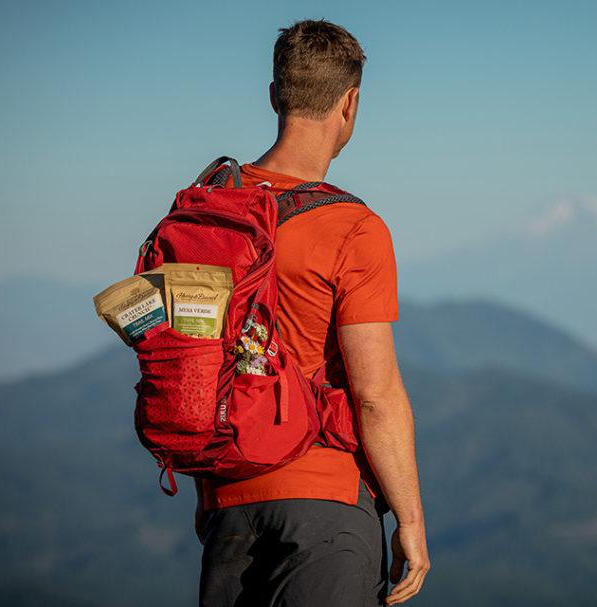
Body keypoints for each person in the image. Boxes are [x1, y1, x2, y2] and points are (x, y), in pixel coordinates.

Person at [194, 19, 429, 607]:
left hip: (226, 502)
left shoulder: (209, 212)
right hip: (324, 504)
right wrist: (410, 519)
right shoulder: (354, 229)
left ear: (274, 95)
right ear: (350, 105)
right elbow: (375, 396)